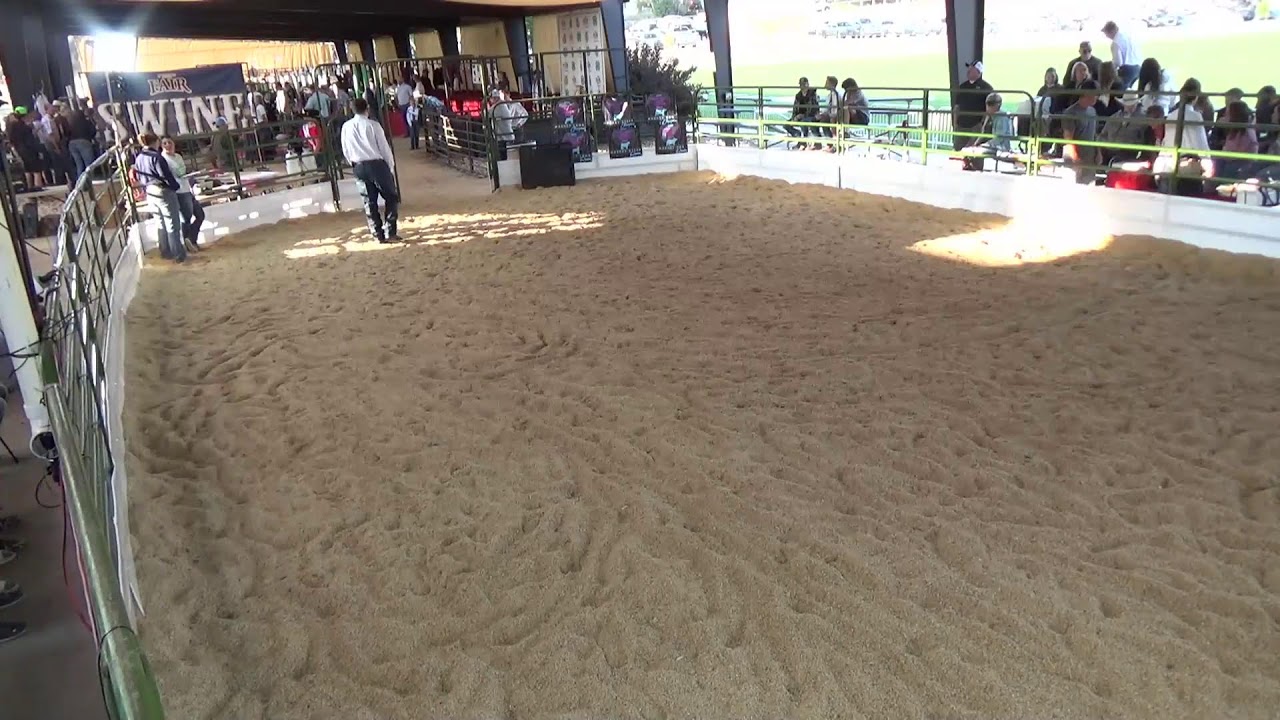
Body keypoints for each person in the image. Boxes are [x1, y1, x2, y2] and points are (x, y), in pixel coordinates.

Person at [340, 98, 399, 243]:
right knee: (391, 197)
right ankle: (390, 231)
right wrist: (390, 166)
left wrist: (353, 163)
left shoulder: (346, 127)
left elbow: (345, 149)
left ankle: (377, 233)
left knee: (369, 201)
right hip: (377, 164)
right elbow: (384, 148)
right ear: (367, 108)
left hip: (358, 165)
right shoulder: (373, 125)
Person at [133, 133, 186, 263]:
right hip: (163, 190)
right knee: (172, 224)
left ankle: (165, 251)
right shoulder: (157, 157)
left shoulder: (139, 157)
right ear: (156, 142)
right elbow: (165, 176)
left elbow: (139, 176)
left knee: (160, 222)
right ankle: (178, 254)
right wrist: (175, 186)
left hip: (150, 190)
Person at [159, 136, 202, 253]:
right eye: (165, 143)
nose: (168, 145)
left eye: (169, 142)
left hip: (186, 187)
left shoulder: (178, 156)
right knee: (186, 217)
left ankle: (191, 239)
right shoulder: (163, 159)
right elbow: (174, 174)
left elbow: (182, 171)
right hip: (179, 190)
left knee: (199, 214)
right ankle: (190, 242)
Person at [962, 92, 1015, 171]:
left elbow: (999, 138)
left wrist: (984, 145)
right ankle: (971, 166)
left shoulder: (1001, 117)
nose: (988, 106)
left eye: (991, 104)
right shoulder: (988, 116)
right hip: (990, 145)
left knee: (976, 151)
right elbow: (983, 133)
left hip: (999, 147)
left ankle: (974, 167)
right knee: (966, 150)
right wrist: (975, 144)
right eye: (987, 103)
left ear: (998, 105)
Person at [1061, 80, 1100, 185]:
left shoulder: (1092, 111)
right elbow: (1068, 138)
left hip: (1089, 158)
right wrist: (1075, 159)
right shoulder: (1070, 113)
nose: (1097, 97)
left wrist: (1098, 152)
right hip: (1075, 159)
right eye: (1095, 94)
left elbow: (1094, 133)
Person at [952, 61, 993, 151]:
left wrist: (982, 124)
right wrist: (955, 124)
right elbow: (957, 107)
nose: (968, 71)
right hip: (961, 125)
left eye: (972, 69)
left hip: (976, 126)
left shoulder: (986, 88)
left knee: (974, 151)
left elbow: (989, 109)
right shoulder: (962, 87)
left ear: (978, 71)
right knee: (958, 150)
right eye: (969, 68)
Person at [1099, 92, 1149, 163]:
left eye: (1132, 105)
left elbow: (1143, 140)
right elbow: (1102, 135)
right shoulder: (1114, 117)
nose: (1129, 107)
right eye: (1128, 105)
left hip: (1128, 154)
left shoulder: (1143, 120)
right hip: (1108, 152)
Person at [1216, 100, 1259, 181]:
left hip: (1242, 165)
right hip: (1231, 162)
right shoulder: (1234, 131)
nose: (1224, 115)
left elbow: (1236, 155)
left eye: (1228, 113)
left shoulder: (1246, 133)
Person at [6, 109, 46, 191]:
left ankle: (29, 186)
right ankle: (38, 186)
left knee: (27, 169)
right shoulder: (25, 128)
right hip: (29, 149)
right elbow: (30, 141)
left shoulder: (10, 130)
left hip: (19, 150)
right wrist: (38, 150)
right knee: (36, 169)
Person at [488, 88, 528, 159]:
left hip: (515, 129)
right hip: (507, 131)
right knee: (509, 151)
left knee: (517, 150)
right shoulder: (502, 105)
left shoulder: (514, 104)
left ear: (508, 95)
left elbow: (525, 114)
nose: (504, 97)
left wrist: (519, 123)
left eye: (505, 95)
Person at [1101, 21, 1142, 89]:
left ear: (1111, 31)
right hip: (1138, 68)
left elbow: (1118, 62)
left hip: (1127, 70)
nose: (1106, 36)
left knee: (1119, 90)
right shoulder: (1127, 37)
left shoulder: (1115, 43)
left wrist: (1109, 68)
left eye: (1106, 33)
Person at [67, 105, 99, 184]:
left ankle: (80, 182)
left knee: (79, 164)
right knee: (89, 163)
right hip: (84, 141)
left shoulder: (71, 123)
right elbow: (93, 131)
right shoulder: (86, 122)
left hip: (72, 143)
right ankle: (90, 180)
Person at [787, 77, 820, 147]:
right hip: (799, 116)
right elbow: (795, 108)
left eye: (804, 84)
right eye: (801, 84)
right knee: (786, 124)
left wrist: (803, 115)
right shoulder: (798, 96)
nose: (803, 86)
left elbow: (813, 109)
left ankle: (804, 142)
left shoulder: (812, 95)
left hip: (811, 116)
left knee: (803, 122)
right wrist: (794, 117)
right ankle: (798, 137)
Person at [815, 75, 841, 151]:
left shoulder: (837, 95)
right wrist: (822, 114)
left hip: (835, 116)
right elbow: (827, 108)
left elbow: (835, 110)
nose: (825, 84)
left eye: (827, 83)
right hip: (830, 115)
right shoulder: (830, 95)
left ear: (831, 84)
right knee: (814, 119)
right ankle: (818, 142)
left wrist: (826, 115)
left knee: (823, 121)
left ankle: (830, 143)